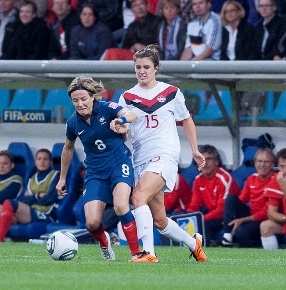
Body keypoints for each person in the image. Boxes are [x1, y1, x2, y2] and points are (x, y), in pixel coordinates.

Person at [118, 44, 207, 263]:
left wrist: (195, 149)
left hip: (165, 155)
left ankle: (148, 253)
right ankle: (193, 243)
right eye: (138, 67)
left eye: (146, 67)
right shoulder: (127, 97)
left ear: (156, 68)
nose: (141, 71)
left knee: (137, 197)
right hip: (140, 159)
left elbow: (186, 119)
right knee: (159, 220)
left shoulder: (171, 92)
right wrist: (120, 131)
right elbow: (126, 134)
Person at [55, 76, 140, 261]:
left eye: (83, 99)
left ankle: (137, 254)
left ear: (93, 96)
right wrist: (62, 178)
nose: (80, 103)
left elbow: (133, 114)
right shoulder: (72, 123)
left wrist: (122, 120)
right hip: (95, 172)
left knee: (120, 206)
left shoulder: (106, 108)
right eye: (75, 100)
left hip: (119, 164)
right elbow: (68, 149)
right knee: (92, 223)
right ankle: (104, 243)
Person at [0, 149, 59, 242]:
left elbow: (49, 199)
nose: (42, 161)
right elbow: (22, 199)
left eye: (45, 159)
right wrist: (38, 196)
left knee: (9, 203)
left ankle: (0, 239)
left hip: (46, 214)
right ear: (35, 162)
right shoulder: (32, 177)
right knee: (5, 209)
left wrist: (32, 197)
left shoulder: (56, 175)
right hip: (30, 211)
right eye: (39, 159)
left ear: (50, 162)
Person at [187, 144, 240, 246]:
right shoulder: (198, 180)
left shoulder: (224, 178)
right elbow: (194, 205)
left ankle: (206, 254)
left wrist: (200, 219)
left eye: (208, 159)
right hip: (212, 217)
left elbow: (222, 210)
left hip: (229, 218)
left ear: (216, 162)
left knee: (204, 225)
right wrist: (189, 218)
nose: (205, 163)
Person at [221, 148, 275, 248]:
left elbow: (267, 212)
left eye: (266, 162)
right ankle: (227, 236)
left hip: (266, 219)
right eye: (259, 161)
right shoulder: (251, 179)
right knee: (231, 198)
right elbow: (241, 201)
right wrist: (235, 218)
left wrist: (242, 220)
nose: (262, 165)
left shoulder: (275, 180)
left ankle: (251, 255)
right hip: (251, 215)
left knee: (241, 231)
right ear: (255, 163)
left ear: (272, 165)